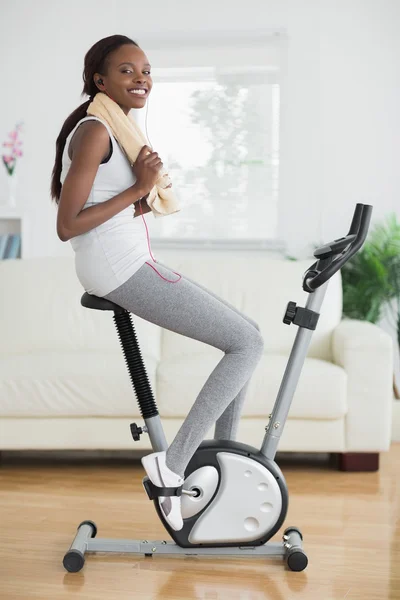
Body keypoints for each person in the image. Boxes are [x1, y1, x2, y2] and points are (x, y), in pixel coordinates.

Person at [50, 34, 264, 531]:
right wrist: (139, 189)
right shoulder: (96, 131)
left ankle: (226, 462)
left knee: (246, 334)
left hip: (121, 258)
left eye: (146, 70)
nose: (142, 78)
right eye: (127, 71)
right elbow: (67, 225)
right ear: (100, 81)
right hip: (118, 267)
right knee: (247, 342)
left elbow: (107, 207)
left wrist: (139, 199)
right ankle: (175, 464)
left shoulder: (114, 129)